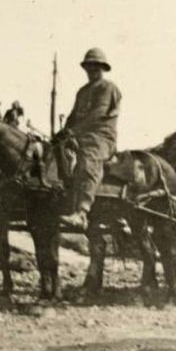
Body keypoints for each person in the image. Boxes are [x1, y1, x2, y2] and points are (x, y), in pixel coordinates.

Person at [56, 48, 122, 230]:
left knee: (88, 160)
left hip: (101, 136)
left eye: (95, 67)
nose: (91, 71)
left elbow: (98, 114)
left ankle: (82, 213)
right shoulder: (82, 91)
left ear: (102, 68)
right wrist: (63, 132)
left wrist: (74, 131)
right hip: (81, 134)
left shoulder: (108, 87)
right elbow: (73, 116)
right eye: (89, 67)